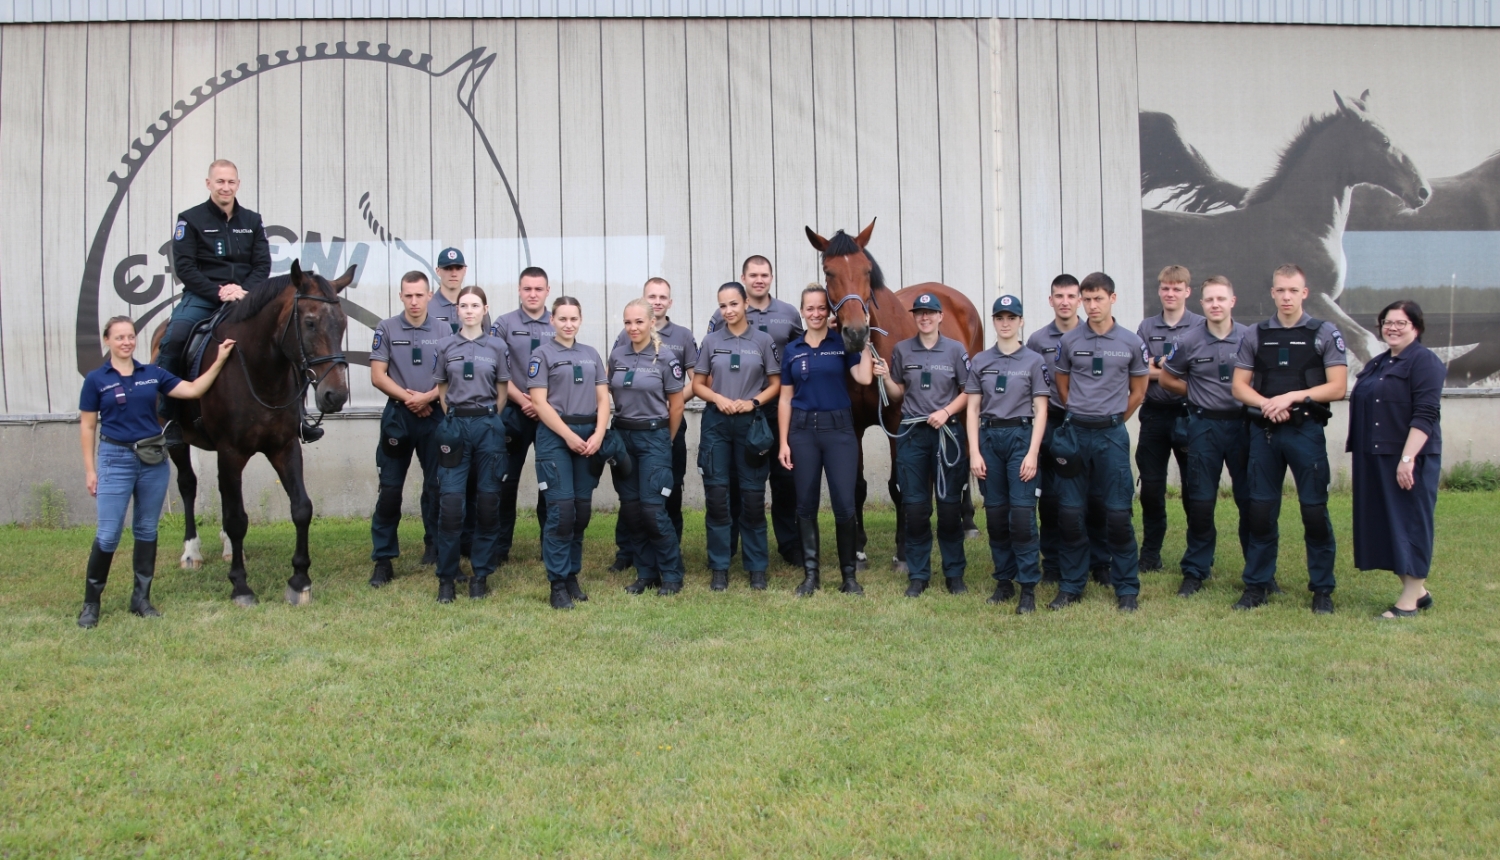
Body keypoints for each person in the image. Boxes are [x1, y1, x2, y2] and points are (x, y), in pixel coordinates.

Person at [77, 317, 236, 628]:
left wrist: (219, 360)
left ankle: (141, 599)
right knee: (108, 535)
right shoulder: (96, 380)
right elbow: (87, 425)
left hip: (152, 461)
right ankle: (91, 605)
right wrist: (89, 469)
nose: (126, 342)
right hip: (114, 459)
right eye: (119, 337)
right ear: (107, 341)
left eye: (131, 336)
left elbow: (192, 390)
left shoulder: (152, 374)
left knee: (147, 531)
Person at [1232, 264, 1348, 613]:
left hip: (1305, 431)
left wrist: (1292, 397)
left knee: (1314, 512)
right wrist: (1269, 404)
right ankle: (1258, 585)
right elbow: (1239, 386)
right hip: (1266, 432)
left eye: (1292, 291)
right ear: (1272, 293)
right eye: (1280, 290)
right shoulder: (1255, 334)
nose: (1286, 297)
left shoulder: (1323, 332)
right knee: (1261, 512)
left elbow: (1338, 387)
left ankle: (1322, 590)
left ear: (1304, 293)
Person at [1050, 272, 1150, 612]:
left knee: (1118, 514)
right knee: (1070, 514)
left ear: (1113, 299)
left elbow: (1138, 392)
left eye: (1098, 299)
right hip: (1075, 434)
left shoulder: (1131, 343)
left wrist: (1112, 419)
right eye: (1087, 299)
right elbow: (1062, 386)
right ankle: (1072, 585)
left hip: (1111, 436)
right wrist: (1082, 412)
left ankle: (1126, 589)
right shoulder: (1070, 342)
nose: (1092, 306)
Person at [159, 159, 271, 447]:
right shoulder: (190, 219)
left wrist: (243, 290)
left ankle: (296, 417)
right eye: (220, 181)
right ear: (208, 183)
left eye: (231, 181)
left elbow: (262, 264)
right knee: (173, 340)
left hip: (245, 298)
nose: (226, 187)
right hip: (204, 296)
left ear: (238, 184)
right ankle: (168, 416)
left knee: (284, 334)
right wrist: (219, 292)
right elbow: (185, 268)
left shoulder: (252, 220)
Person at [528, 297, 630, 609]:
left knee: (581, 512)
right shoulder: (541, 355)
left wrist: (599, 434)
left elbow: (603, 399)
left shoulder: (591, 354)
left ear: (580, 320)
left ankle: (572, 574)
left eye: (574, 318)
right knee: (561, 512)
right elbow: (539, 403)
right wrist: (569, 436)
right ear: (552, 321)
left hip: (589, 438)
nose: (568, 324)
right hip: (557, 437)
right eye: (562, 319)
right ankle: (557, 583)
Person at [1347, 300, 1443, 619]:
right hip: (1374, 457)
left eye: (1400, 323)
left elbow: (1426, 414)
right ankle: (1420, 591)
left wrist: (1407, 458)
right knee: (1385, 527)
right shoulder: (1379, 363)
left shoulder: (1424, 362)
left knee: (1410, 525)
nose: (1392, 328)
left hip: (1407, 459)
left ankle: (1407, 603)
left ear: (1416, 327)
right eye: (1387, 322)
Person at [777, 285, 874, 596]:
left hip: (840, 432)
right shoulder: (792, 350)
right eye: (810, 308)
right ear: (802, 311)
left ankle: (848, 577)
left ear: (829, 312)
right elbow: (784, 399)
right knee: (805, 505)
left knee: (844, 506)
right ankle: (810, 575)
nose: (816, 314)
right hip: (803, 432)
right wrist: (783, 442)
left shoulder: (841, 344)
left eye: (821, 308)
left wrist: (865, 341)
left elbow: (864, 377)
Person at [874, 292, 971, 598]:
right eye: (919, 313)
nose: (925, 318)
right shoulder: (903, 349)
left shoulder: (956, 350)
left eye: (930, 313)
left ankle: (954, 574)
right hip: (913, 434)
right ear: (914, 317)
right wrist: (886, 378)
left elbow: (969, 391)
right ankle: (918, 574)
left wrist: (945, 412)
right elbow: (898, 393)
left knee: (948, 507)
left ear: (941, 317)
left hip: (947, 433)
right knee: (915, 509)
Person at [1159, 276, 1252, 597]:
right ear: (1202, 304)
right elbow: (1169, 378)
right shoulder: (1188, 340)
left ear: (1232, 302)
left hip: (1242, 427)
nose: (1215, 305)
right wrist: (1195, 391)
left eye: (1221, 299)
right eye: (1209, 300)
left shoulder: (1250, 338)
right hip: (1203, 427)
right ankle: (1196, 570)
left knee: (1250, 501)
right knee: (1200, 502)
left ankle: (1258, 572)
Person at [708, 256, 804, 566]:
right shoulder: (722, 313)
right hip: (738, 412)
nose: (759, 279)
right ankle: (732, 546)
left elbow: (800, 355)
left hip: (778, 410)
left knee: (783, 479)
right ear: (743, 278)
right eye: (753, 275)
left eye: (764, 274)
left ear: (771, 278)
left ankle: (789, 544)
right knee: (738, 481)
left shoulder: (789, 314)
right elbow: (711, 362)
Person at [695, 282, 783, 591]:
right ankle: (719, 566)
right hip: (717, 424)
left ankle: (757, 566)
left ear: (746, 303)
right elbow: (698, 384)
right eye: (723, 305)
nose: (728, 310)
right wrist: (717, 398)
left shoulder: (763, 340)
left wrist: (753, 401)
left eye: (733, 303)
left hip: (750, 426)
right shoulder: (710, 341)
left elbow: (775, 383)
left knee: (752, 499)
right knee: (718, 499)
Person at [966, 295, 1050, 613]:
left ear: (1021, 322)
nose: (1005, 323)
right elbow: (972, 409)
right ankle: (1004, 580)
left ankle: (1028, 587)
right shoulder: (981, 361)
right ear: (994, 321)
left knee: (1023, 517)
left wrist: (1032, 453)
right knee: (997, 516)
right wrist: (974, 452)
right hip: (989, 439)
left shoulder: (1033, 361)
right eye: (1000, 318)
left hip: (1021, 438)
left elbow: (1041, 410)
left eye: (1011, 318)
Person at [609, 277, 698, 571]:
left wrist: (665, 436)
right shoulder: (619, 351)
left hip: (656, 435)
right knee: (633, 508)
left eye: (639, 322)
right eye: (628, 322)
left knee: (654, 507)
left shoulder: (668, 353)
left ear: (651, 322)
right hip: (624, 435)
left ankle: (671, 570)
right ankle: (643, 569)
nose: (633, 327)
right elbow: (609, 389)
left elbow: (677, 403)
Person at [367, 271, 449, 586]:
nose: (414, 301)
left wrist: (428, 397)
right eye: (408, 295)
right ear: (400, 296)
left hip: (435, 416)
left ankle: (438, 548)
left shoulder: (445, 329)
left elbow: (451, 373)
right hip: (398, 417)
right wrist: (410, 399)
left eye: (419, 295)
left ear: (430, 295)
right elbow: (378, 375)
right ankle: (383, 560)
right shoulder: (386, 328)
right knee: (389, 490)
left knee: (438, 488)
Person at [1026, 274, 1109, 586]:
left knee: (1095, 497)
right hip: (1051, 423)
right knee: (1049, 499)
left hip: (1087, 423)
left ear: (1080, 301)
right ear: (1050, 301)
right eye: (1058, 296)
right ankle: (1053, 564)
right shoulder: (1036, 340)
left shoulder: (1095, 335)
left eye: (1071, 296)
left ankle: (1100, 562)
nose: (1065, 302)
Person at [431, 287, 510, 604]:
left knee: (489, 505)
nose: (468, 310)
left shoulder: (497, 346)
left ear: (485, 309)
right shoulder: (445, 345)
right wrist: (455, 418)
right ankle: (447, 579)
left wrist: (488, 418)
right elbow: (441, 388)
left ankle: (480, 575)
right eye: (463, 305)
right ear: (457, 310)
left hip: (488, 427)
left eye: (475, 305)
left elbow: (502, 390)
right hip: (455, 427)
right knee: (450, 507)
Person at [1135, 266, 1203, 572]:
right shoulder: (1147, 327)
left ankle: (1198, 552)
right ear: (1159, 291)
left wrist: (1160, 368)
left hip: (1191, 415)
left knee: (1194, 489)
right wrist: (1172, 369)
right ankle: (1151, 554)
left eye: (1177, 289)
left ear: (1188, 292)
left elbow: (1201, 371)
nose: (1170, 294)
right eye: (1165, 288)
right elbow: (1138, 370)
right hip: (1154, 416)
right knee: (1151, 489)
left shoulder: (1200, 326)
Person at [490, 267, 555, 565]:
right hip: (513, 413)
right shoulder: (503, 324)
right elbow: (495, 371)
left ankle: (549, 546)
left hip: (548, 415)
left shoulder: (559, 322)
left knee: (550, 482)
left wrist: (541, 405)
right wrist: (522, 398)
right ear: (519, 290)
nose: (532, 294)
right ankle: (500, 548)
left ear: (547, 291)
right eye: (527, 289)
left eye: (538, 289)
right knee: (506, 482)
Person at [430, 249, 489, 563]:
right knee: (443, 491)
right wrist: (448, 411)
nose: (453, 272)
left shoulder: (485, 324)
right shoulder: (429, 304)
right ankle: (436, 550)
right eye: (447, 268)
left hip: (483, 422)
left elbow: (498, 384)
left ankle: (478, 554)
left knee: (485, 492)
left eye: (458, 267)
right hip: (449, 419)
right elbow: (441, 384)